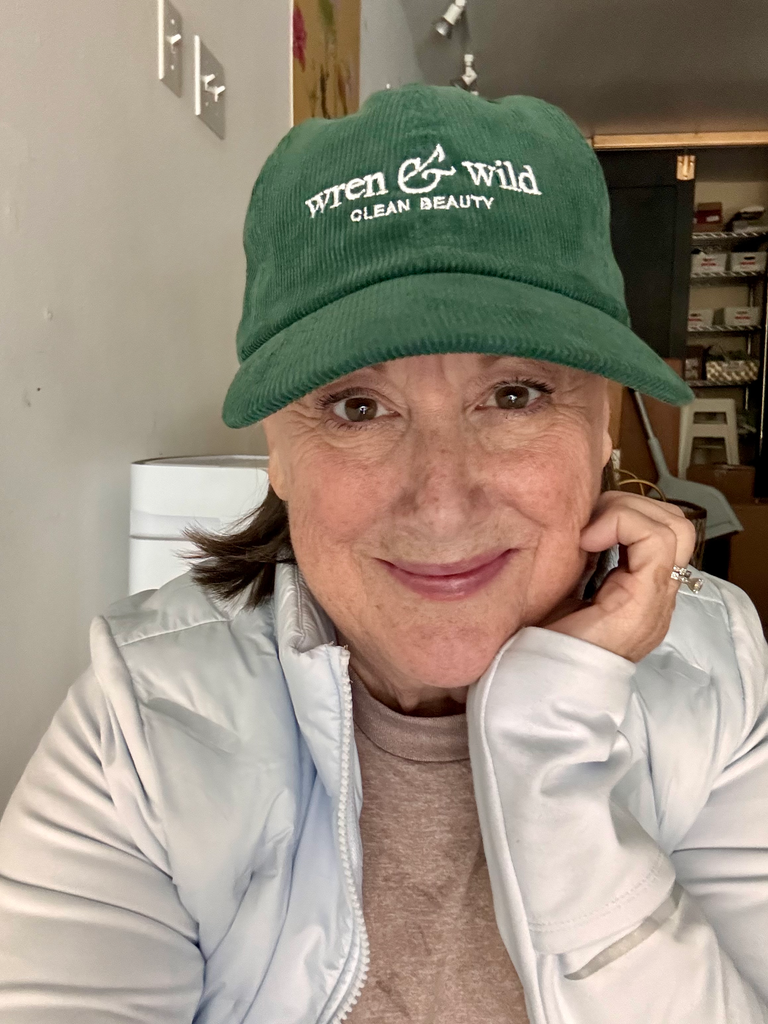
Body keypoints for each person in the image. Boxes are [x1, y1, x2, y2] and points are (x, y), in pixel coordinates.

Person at [0, 84, 766, 1024]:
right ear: (274, 452)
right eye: (358, 407)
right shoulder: (145, 723)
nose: (442, 502)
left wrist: (553, 754)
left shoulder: (718, 677)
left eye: (517, 394)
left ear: (604, 422)